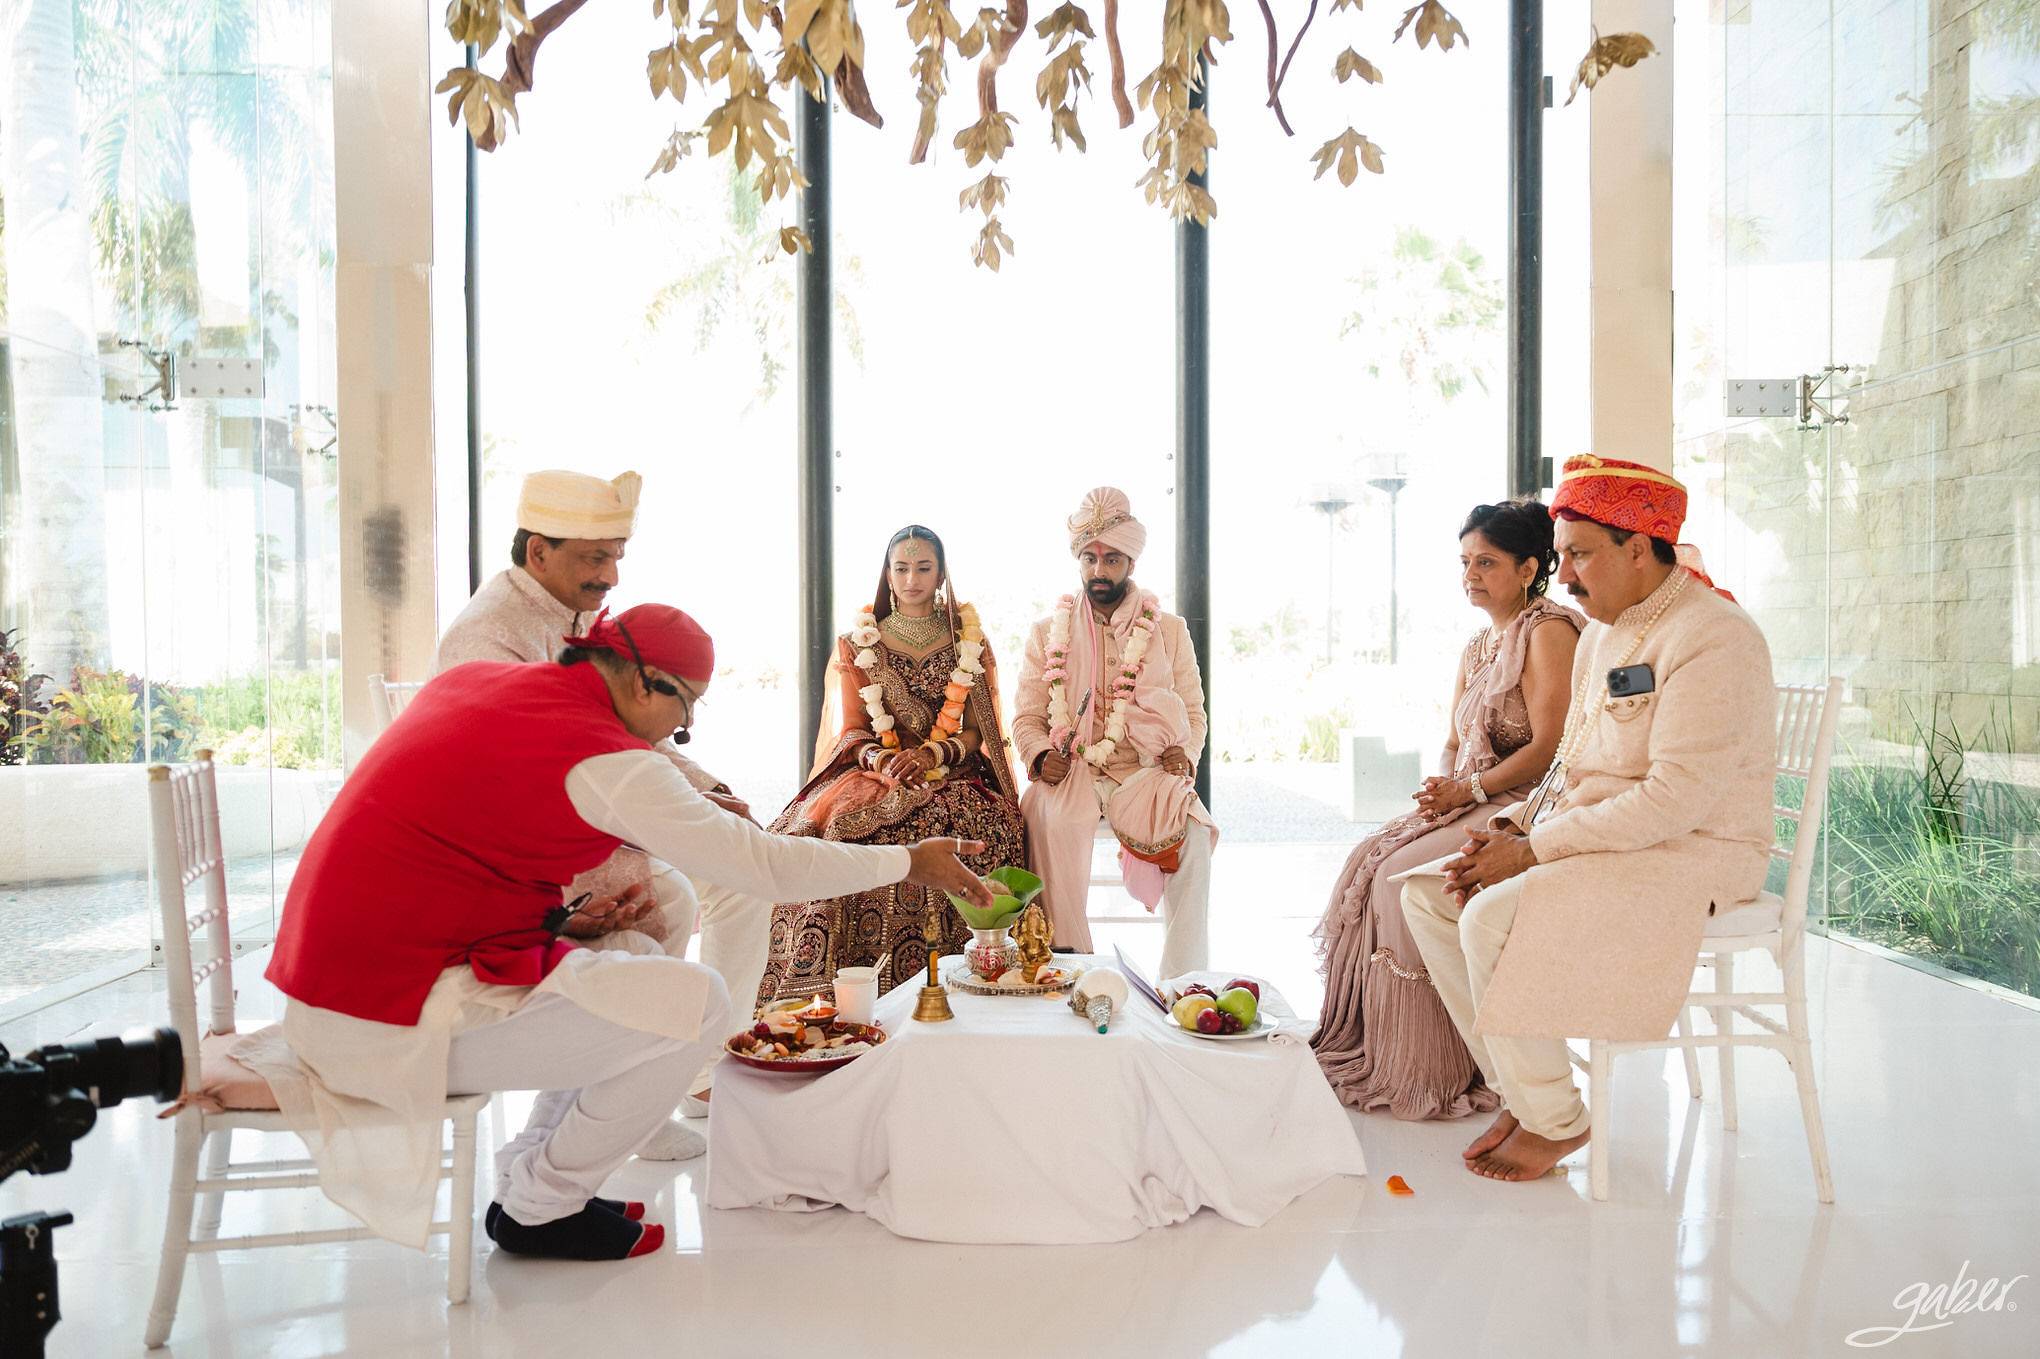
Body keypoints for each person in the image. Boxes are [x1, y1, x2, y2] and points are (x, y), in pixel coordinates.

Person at [248, 604, 995, 1260]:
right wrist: (912, 861)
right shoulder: (607, 757)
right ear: (644, 684)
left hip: (350, 982)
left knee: (631, 951)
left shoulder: (490, 683)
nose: (681, 731)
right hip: (385, 1017)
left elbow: (455, 849)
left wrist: (560, 921)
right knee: (698, 1004)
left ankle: (528, 1181)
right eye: (685, 710)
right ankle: (543, 1210)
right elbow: (764, 866)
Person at [1399, 455, 1777, 1182]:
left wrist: (1535, 849)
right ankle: (1521, 1094)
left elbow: (1674, 800)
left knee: (1487, 916)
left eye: (1579, 554)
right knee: (1430, 894)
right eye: (1561, 553)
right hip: (1611, 836)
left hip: (1695, 850)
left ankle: (1555, 1121)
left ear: (1638, 548)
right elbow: (1572, 761)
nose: (1564, 575)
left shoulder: (1714, 636)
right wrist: (1518, 826)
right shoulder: (1606, 628)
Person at [434, 468, 772, 1146]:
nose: (612, 576)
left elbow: (628, 726)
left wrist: (704, 791)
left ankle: (684, 1077)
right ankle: (627, 1106)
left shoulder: (572, 613)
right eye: (596, 557)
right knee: (673, 895)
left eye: (617, 556)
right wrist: (673, 816)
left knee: (739, 879)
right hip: (517, 857)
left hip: (590, 816)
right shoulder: (490, 637)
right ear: (539, 552)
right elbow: (529, 786)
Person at [1311, 500, 1581, 1119]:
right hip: (1479, 794)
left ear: (1529, 568)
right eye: (1464, 563)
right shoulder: (1479, 644)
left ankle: (1429, 1070)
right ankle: (1382, 1052)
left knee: (1395, 876)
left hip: (1528, 807)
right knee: (1370, 860)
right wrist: (1445, 785)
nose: (1470, 575)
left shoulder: (1549, 631)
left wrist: (1473, 791)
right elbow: (1455, 740)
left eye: (1487, 562)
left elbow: (1549, 748)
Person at [760, 526, 1027, 1000]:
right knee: (830, 832)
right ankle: (829, 990)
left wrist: (932, 753)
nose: (911, 579)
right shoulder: (858, 643)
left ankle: (968, 980)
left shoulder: (969, 642)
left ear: (941, 575)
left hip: (954, 774)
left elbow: (975, 731)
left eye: (923, 568)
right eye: (901, 569)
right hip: (873, 771)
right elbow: (852, 730)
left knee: (986, 827)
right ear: (887, 575)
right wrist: (884, 760)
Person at [1011, 487, 1216, 978]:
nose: (1099, 570)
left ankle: (1182, 981)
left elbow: (1193, 711)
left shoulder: (1168, 630)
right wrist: (1038, 755)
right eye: (1090, 559)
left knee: (1194, 836)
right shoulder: (1048, 632)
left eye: (1111, 559)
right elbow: (1026, 717)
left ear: (1131, 563)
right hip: (1072, 770)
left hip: (1145, 770)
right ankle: (1065, 962)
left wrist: (1184, 752)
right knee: (1047, 822)